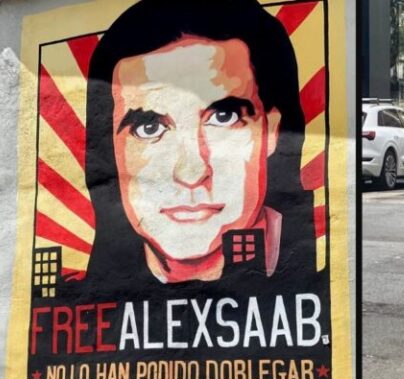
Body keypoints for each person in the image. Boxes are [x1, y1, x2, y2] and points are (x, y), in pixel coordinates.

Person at [84, 0, 319, 288]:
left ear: (273, 131)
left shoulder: (315, 268)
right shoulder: (90, 299)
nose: (191, 172)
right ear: (112, 149)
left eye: (223, 117)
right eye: (149, 127)